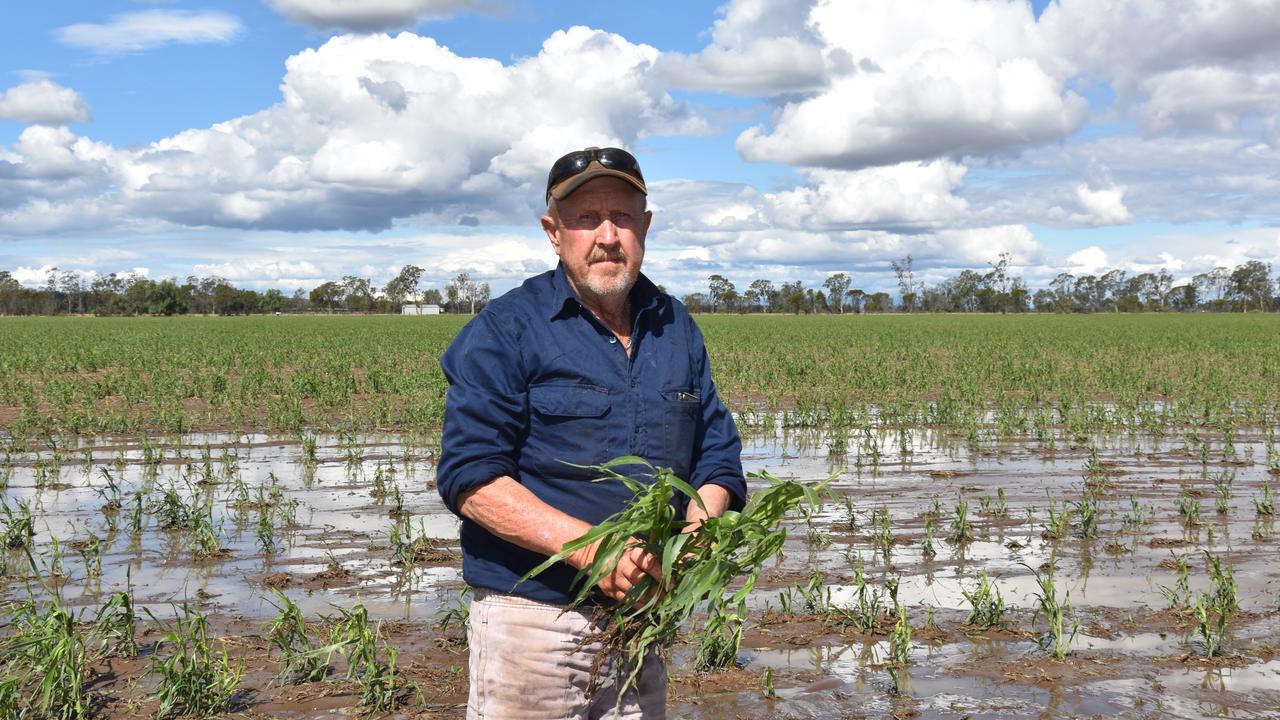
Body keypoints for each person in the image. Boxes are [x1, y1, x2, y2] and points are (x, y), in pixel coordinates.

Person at [436, 146, 747, 719]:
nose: (607, 235)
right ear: (553, 233)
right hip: (533, 622)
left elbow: (717, 454)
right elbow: (471, 478)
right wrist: (595, 552)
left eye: (623, 217)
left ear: (645, 226)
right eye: (585, 219)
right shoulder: (507, 330)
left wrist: (699, 527)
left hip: (641, 623)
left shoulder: (675, 326)